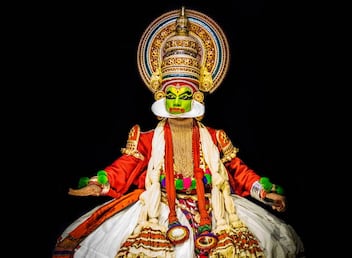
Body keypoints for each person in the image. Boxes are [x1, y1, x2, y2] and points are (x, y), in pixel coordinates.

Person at [53, 7, 304, 258]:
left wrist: (264, 191)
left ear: (196, 97)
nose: (176, 102)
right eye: (170, 95)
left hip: (214, 206)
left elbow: (240, 172)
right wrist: (99, 183)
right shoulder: (147, 138)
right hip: (159, 205)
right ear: (161, 96)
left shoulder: (216, 137)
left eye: (183, 96)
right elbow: (124, 166)